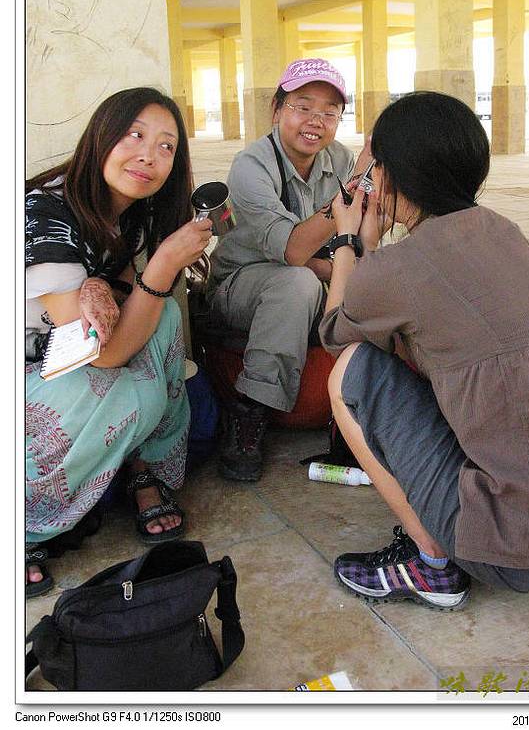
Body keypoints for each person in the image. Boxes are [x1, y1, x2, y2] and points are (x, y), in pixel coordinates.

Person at [319, 91, 529, 609]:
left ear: (391, 177)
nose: (369, 181)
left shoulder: (398, 269)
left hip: (520, 555)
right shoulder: (503, 230)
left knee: (351, 372)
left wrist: (350, 241)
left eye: (372, 168)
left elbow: (333, 331)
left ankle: (432, 565)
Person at [25, 87, 213, 597]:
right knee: (129, 391)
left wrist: (106, 283)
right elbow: (104, 352)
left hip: (58, 359)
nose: (149, 155)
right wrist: (164, 264)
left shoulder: (128, 213)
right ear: (101, 137)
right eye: (134, 135)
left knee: (164, 316)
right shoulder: (44, 214)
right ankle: (24, 521)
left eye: (166, 146)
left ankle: (141, 471)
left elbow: (132, 302)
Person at [206, 58, 361, 482]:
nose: (316, 121)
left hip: (312, 277)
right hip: (242, 286)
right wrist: (344, 204)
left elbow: (358, 236)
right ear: (276, 110)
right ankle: (250, 408)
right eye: (302, 106)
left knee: (372, 277)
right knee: (297, 282)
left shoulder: (341, 159)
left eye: (329, 112)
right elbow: (292, 252)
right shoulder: (252, 165)